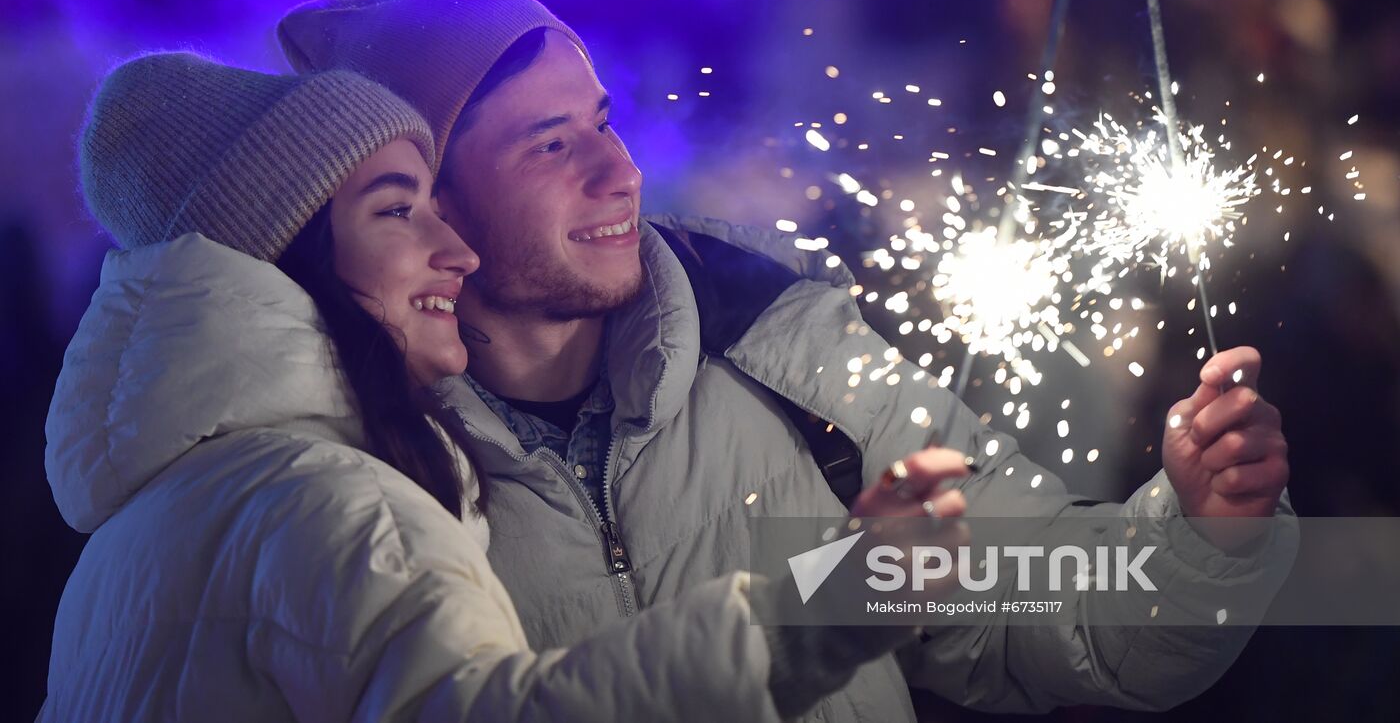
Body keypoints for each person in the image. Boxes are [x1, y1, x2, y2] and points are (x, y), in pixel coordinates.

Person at [278, 0, 1300, 719]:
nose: (618, 172)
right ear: (430, 201)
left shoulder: (783, 347)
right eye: (549, 145)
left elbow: (1040, 614)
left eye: (603, 123)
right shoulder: (362, 474)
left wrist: (1199, 538)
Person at [43, 52, 958, 721]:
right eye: (398, 210)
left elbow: (1014, 589)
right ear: (288, 258)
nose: (456, 250)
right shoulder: (334, 503)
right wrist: (831, 608)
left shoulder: (142, 534)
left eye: (604, 124)